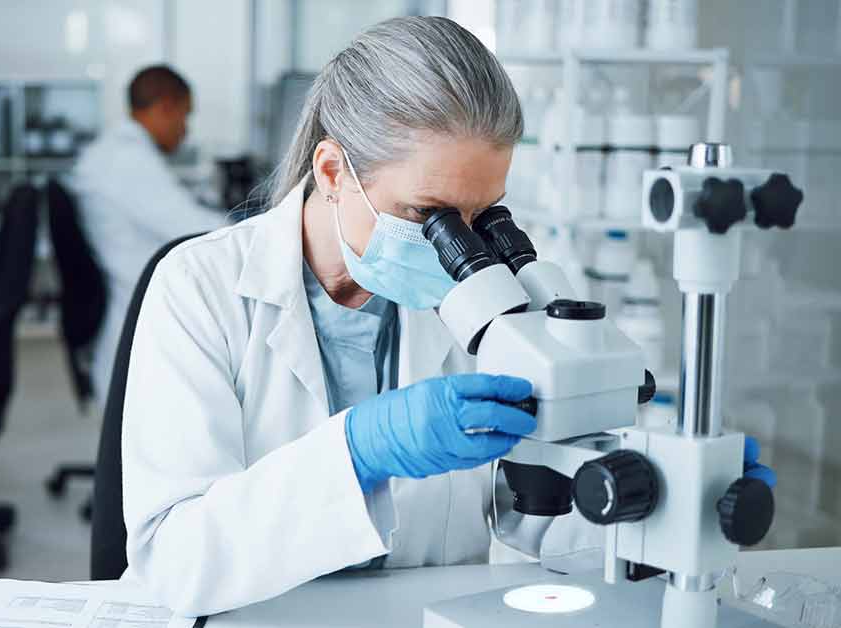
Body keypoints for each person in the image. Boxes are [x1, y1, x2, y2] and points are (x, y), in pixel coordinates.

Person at [120, 17, 776, 617]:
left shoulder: (495, 306)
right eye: (427, 216)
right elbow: (174, 562)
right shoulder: (198, 286)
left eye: (482, 217)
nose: (462, 247)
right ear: (332, 169)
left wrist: (658, 494)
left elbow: (539, 517)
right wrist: (356, 455)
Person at [72, 65, 227, 406]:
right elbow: (195, 226)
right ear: (165, 108)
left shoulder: (119, 151)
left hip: (132, 303)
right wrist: (263, 222)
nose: (185, 130)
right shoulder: (125, 158)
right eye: (185, 116)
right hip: (137, 319)